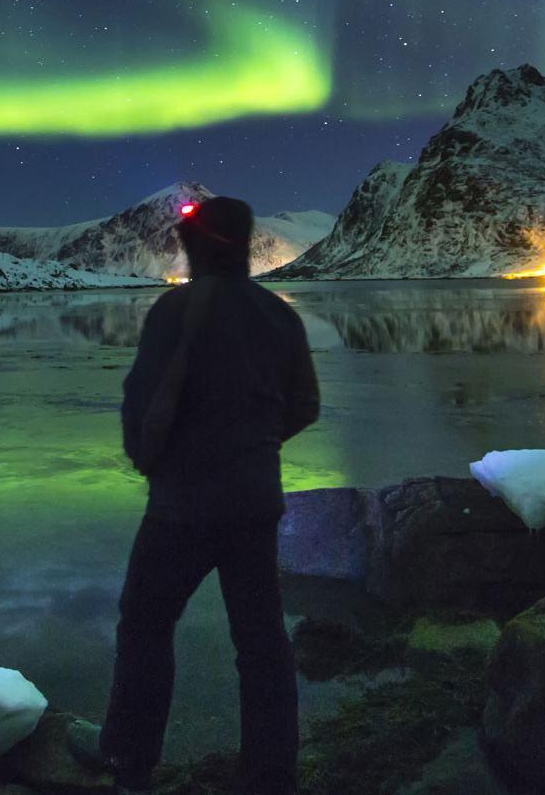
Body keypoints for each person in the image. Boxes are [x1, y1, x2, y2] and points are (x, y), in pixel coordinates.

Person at [70, 196, 321, 794]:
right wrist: (257, 445)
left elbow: (143, 399)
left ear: (200, 244)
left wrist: (150, 458)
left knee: (145, 622)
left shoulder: (177, 309)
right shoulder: (279, 315)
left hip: (182, 505)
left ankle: (130, 755)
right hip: (256, 502)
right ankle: (271, 771)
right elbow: (305, 405)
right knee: (261, 639)